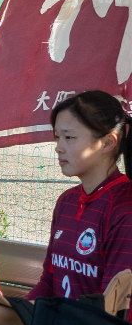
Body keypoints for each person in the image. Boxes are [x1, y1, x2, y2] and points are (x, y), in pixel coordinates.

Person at [28, 91, 132, 303]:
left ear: (107, 143)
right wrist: (13, 312)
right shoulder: (66, 201)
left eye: (69, 137)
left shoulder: (124, 210)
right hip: (59, 322)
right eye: (57, 137)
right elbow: (49, 282)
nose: (58, 148)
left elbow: (115, 306)